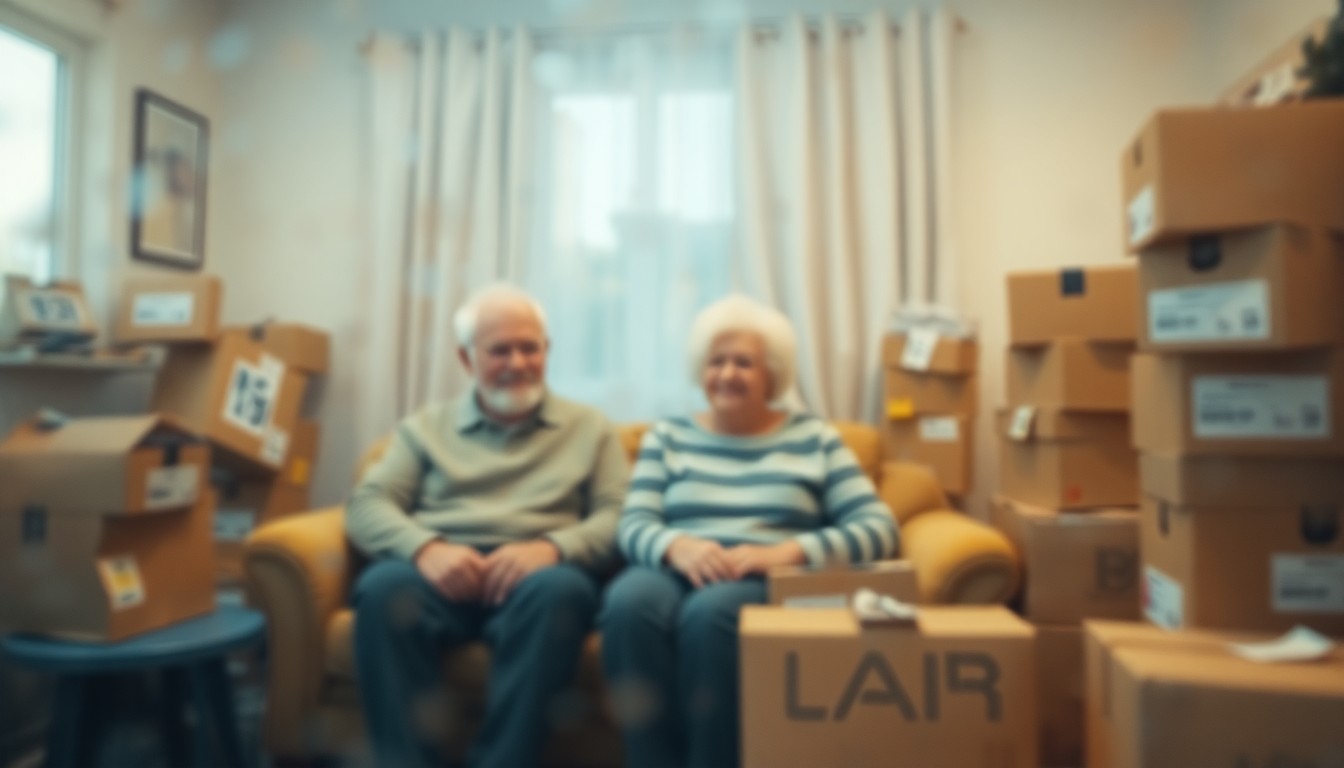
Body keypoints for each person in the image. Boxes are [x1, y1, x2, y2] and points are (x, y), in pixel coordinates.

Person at [599, 295, 900, 768]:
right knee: (626, 603)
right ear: (701, 369)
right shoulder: (667, 436)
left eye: (745, 362)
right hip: (677, 565)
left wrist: (788, 552)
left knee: (708, 614)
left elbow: (879, 528)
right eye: (716, 361)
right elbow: (633, 524)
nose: (728, 374)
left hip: (761, 577)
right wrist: (676, 546)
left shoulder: (814, 437)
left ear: (772, 374)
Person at [345, 284, 629, 768]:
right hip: (440, 578)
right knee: (381, 588)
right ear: (465, 358)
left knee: (561, 590)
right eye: (500, 350)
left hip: (538, 583)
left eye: (530, 347)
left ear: (547, 350)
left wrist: (553, 548)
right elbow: (367, 503)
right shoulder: (424, 428)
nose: (517, 362)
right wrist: (425, 549)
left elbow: (620, 516)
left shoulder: (592, 428)